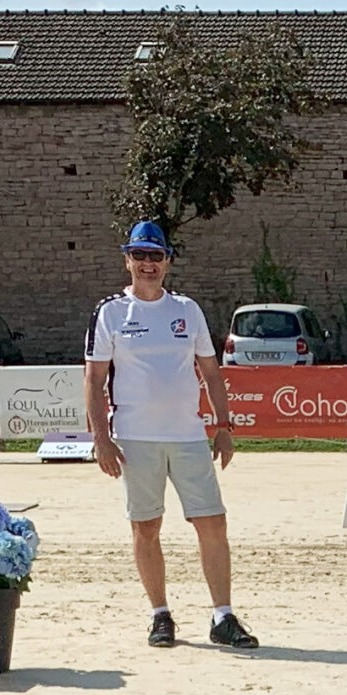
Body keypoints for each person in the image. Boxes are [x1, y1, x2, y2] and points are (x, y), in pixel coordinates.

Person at [84, 220, 255, 650]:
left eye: (155, 256)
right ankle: (160, 614)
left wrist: (223, 426)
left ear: (168, 262)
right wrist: (101, 438)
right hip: (135, 437)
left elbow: (212, 373)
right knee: (146, 527)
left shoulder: (187, 309)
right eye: (138, 255)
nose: (147, 264)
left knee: (212, 522)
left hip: (188, 435)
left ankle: (223, 615)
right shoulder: (109, 312)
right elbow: (93, 379)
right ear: (127, 260)